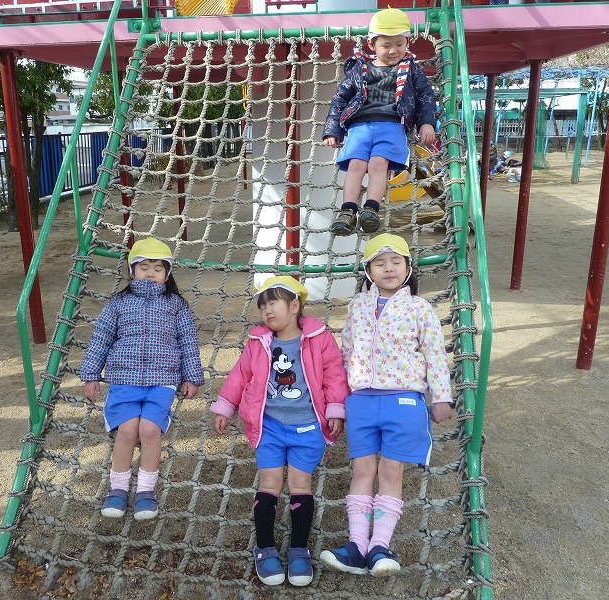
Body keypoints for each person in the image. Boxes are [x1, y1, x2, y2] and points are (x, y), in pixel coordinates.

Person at [319, 234, 453, 577]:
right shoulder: (357, 306)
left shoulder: (419, 309)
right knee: (362, 471)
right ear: (368, 270)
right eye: (379, 263)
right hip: (362, 401)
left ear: (408, 268)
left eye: (396, 262)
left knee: (391, 472)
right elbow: (346, 351)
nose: (388, 268)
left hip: (402, 400)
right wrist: (340, 400)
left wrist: (441, 396)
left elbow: (435, 354)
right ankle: (356, 546)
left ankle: (379, 546)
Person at [210, 276, 349, 587]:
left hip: (307, 427)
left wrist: (335, 408)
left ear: (295, 306)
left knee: (300, 484)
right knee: (269, 483)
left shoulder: (319, 338)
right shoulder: (259, 342)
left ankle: (299, 549)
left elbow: (334, 374)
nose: (267, 311)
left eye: (273, 303)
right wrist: (225, 406)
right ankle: (264, 548)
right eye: (262, 307)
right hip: (270, 427)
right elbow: (240, 375)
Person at [79, 237, 204, 520]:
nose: (150, 273)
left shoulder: (176, 305)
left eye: (158, 268)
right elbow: (101, 338)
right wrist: (91, 375)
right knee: (127, 431)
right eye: (144, 267)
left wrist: (192, 377)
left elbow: (188, 341)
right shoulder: (119, 304)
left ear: (167, 274)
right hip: (125, 378)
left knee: (149, 430)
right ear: (131, 270)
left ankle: (146, 492)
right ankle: (118, 489)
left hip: (161, 379)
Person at [323, 8, 437, 237]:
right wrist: (332, 130)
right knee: (356, 165)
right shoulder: (360, 68)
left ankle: (371, 209)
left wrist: (427, 123)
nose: (393, 51)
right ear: (372, 44)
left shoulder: (411, 69)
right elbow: (340, 98)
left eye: (399, 44)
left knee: (378, 165)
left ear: (407, 42)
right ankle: (347, 211)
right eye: (386, 45)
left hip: (391, 125)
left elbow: (425, 96)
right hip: (360, 127)